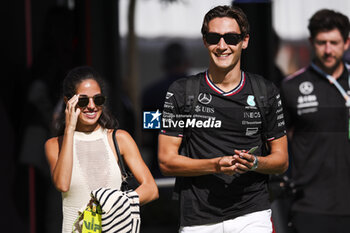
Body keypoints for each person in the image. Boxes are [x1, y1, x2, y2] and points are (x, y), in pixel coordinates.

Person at [158, 5, 288, 233]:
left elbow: (281, 160)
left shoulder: (265, 91)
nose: (222, 46)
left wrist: (255, 163)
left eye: (231, 38)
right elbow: (166, 162)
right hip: (198, 219)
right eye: (214, 37)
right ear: (204, 41)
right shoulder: (181, 92)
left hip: (252, 215)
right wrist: (216, 165)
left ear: (244, 41)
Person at [45, 66, 159, 233]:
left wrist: (114, 201)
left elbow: (151, 188)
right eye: (83, 101)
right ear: (68, 102)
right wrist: (69, 129)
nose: (91, 106)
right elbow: (62, 184)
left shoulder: (119, 139)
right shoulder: (55, 145)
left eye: (98, 100)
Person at [280, 9, 350, 233]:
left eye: (334, 42)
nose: (328, 50)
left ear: (347, 42)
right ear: (311, 42)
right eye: (322, 43)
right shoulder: (292, 86)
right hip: (310, 206)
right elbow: (274, 141)